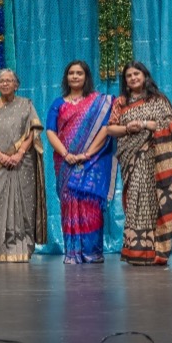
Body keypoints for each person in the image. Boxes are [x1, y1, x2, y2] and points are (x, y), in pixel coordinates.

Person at [107, 61, 172, 265]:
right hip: (131, 159)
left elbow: (165, 124)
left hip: (154, 157)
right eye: (128, 76)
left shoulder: (158, 100)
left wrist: (144, 124)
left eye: (136, 74)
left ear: (145, 76)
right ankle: (137, 251)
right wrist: (129, 128)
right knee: (136, 202)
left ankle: (157, 250)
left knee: (155, 203)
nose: (133, 78)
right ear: (125, 81)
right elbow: (110, 129)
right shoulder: (120, 102)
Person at [45, 60, 115, 264]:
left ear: (86, 77)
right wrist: (66, 154)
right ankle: (73, 253)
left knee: (90, 204)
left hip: (92, 162)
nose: (75, 76)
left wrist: (87, 154)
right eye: (71, 73)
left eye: (79, 73)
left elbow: (106, 128)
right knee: (69, 206)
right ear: (66, 77)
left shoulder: (99, 102)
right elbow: (51, 131)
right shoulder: (58, 103)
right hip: (66, 163)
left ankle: (92, 252)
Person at [0, 69, 46, 263]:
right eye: (1, 81)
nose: (5, 84)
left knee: (22, 205)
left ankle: (21, 248)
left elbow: (33, 131)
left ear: (17, 85)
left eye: (9, 81)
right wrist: (1, 155)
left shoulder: (26, 105)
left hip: (21, 164)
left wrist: (19, 154)